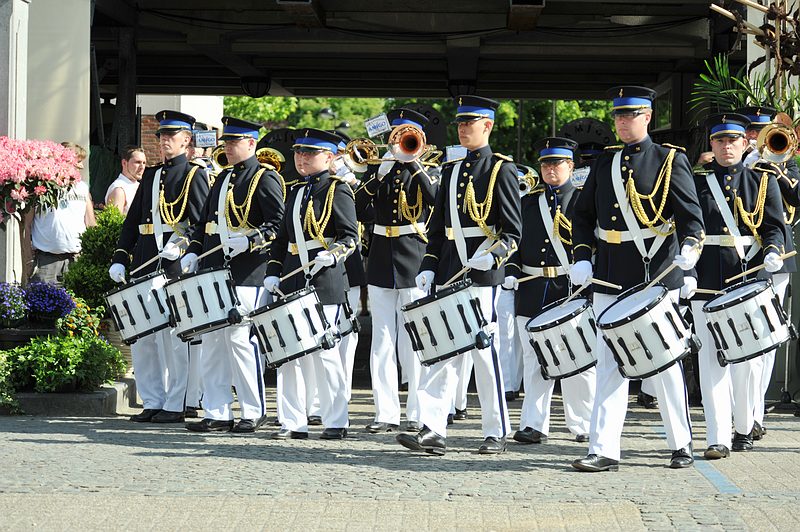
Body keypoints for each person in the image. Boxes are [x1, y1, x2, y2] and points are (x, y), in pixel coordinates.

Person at [570, 86, 705, 472]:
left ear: (647, 117)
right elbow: (582, 217)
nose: (624, 122)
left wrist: (691, 248)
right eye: (619, 116)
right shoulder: (604, 163)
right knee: (609, 364)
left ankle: (681, 443)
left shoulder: (669, 159)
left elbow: (690, 215)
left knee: (664, 364)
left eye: (631, 115)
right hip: (611, 276)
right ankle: (604, 449)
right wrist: (582, 256)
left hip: (654, 276)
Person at [396, 95, 521, 455]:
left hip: (483, 274)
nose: (464, 129)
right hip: (450, 274)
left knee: (484, 353)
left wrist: (494, 256)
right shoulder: (450, 171)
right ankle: (433, 429)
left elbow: (513, 232)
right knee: (441, 351)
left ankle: (496, 430)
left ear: (488, 126)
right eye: (460, 124)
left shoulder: (501, 170)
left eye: (471, 123)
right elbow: (437, 230)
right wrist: (429, 266)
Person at [686, 113, 785, 457]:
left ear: (746, 144)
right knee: (711, 362)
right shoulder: (697, 184)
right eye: (720, 141)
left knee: (745, 362)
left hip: (748, 281)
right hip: (707, 280)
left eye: (733, 141)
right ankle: (717, 437)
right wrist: (686, 272)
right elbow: (687, 227)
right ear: (711, 145)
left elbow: (774, 226)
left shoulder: (763, 181)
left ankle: (743, 427)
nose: (727, 147)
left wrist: (773, 251)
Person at [180, 117, 285, 433]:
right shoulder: (222, 178)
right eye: (226, 141)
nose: (227, 146)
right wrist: (193, 251)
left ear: (252, 143)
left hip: (247, 273)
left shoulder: (265, 178)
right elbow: (203, 223)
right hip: (215, 272)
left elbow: (277, 226)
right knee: (212, 342)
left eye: (234, 141)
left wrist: (250, 241)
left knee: (241, 341)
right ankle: (217, 411)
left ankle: (253, 410)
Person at [108, 110, 209, 424]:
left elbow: (199, 221)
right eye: (162, 136)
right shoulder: (151, 175)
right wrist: (120, 257)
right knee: (144, 338)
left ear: (186, 140)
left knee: (173, 339)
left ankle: (177, 402)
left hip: (173, 265)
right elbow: (132, 221)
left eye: (171, 136)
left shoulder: (194, 174)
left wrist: (181, 243)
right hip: (145, 261)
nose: (164, 141)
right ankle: (152, 399)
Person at [264, 128, 358, 440]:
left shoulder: (337, 190)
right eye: (299, 152)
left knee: (324, 353)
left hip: (325, 280)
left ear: (329, 157)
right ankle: (292, 421)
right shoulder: (294, 191)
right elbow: (281, 240)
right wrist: (274, 270)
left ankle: (336, 420)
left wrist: (334, 255)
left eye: (310, 153)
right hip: (293, 278)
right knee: (290, 354)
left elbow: (350, 236)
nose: (302, 157)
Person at [354, 108, 440, 433]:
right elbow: (361, 210)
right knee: (382, 339)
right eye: (395, 135)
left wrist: (413, 162)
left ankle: (418, 412)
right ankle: (386, 413)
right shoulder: (381, 170)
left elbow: (434, 199)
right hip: (380, 258)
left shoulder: (426, 170)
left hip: (413, 257)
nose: (398, 141)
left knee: (414, 339)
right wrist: (378, 174)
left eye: (404, 135)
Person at [506, 137, 596, 444]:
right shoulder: (528, 202)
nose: (550, 170)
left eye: (556, 163)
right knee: (534, 361)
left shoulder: (584, 202)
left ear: (570, 166)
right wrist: (511, 271)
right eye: (545, 164)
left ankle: (583, 423)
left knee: (577, 359)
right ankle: (534, 424)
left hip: (569, 288)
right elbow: (514, 243)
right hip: (532, 290)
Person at [738, 105, 799, 439]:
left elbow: (798, 197)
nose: (756, 138)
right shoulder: (734, 164)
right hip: (741, 258)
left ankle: (755, 411)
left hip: (777, 256)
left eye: (762, 131)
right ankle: (742, 410)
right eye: (751, 132)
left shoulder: (787, 165)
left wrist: (774, 171)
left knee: (766, 336)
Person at [29, 142, 95, 285]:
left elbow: (90, 223)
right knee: (42, 305)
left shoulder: (82, 188)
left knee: (77, 304)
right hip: (46, 261)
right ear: (61, 161)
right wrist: (26, 255)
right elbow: (27, 224)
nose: (81, 167)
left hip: (76, 259)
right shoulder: (41, 187)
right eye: (77, 162)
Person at [105, 146, 146, 215]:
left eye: (144, 163)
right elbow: (115, 223)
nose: (142, 167)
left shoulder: (139, 186)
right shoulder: (119, 189)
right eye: (137, 162)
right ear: (124, 163)